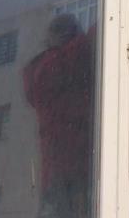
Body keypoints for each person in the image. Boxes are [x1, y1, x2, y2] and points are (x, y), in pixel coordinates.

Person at [23, 13, 95, 218]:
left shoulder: (40, 71)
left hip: (54, 176)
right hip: (77, 170)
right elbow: (103, 31)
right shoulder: (65, 61)